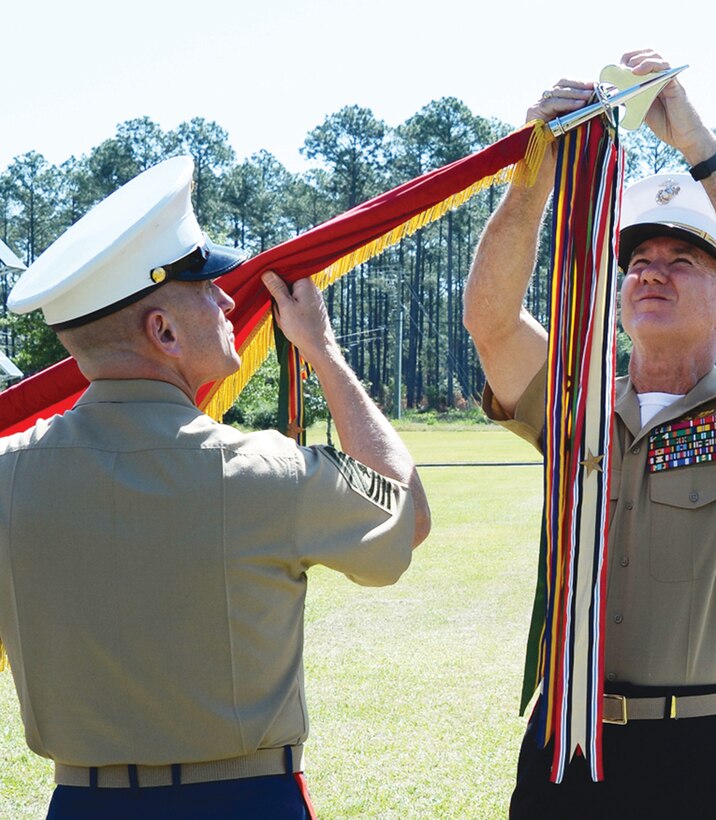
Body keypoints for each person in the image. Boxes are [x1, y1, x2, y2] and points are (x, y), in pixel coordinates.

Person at [0, 155, 430, 819]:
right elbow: (406, 513)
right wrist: (322, 351)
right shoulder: (266, 472)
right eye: (206, 286)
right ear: (163, 331)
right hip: (246, 800)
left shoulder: (8, 477)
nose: (229, 298)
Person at [463, 49, 716, 819]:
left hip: (691, 753)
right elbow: (491, 323)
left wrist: (696, 141)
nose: (651, 272)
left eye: (683, 260)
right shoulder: (578, 410)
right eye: (637, 261)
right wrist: (533, 175)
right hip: (562, 742)